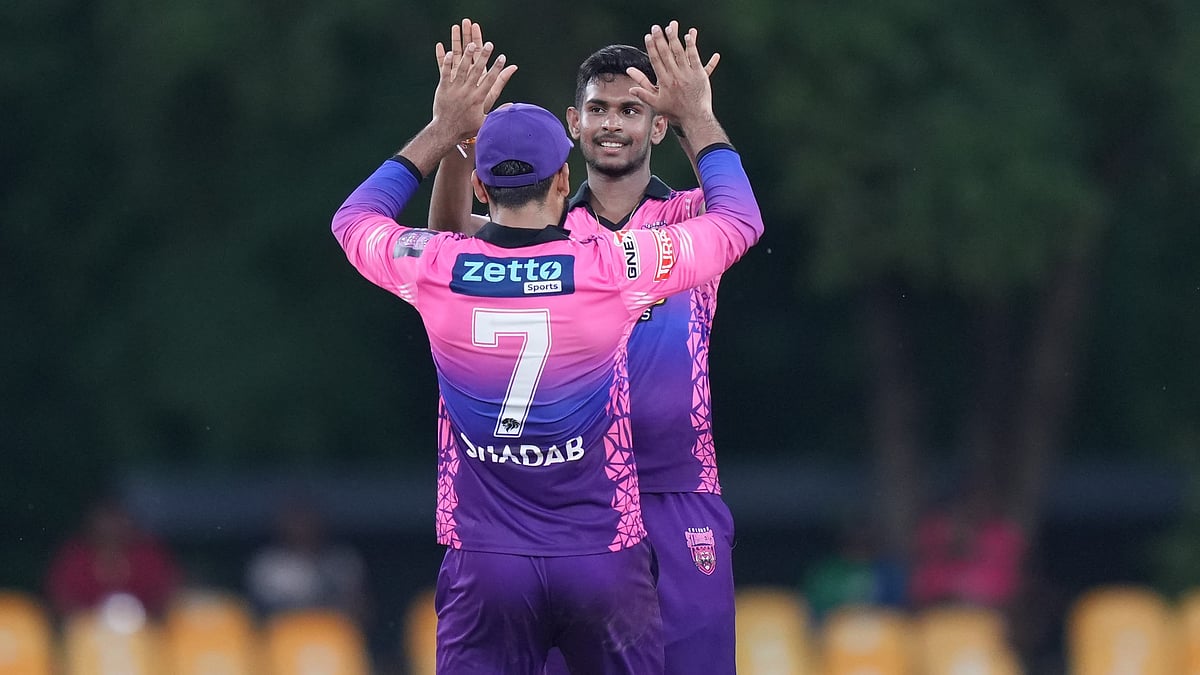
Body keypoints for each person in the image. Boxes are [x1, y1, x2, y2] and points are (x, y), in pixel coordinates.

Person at [331, 19, 762, 674]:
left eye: (630, 108)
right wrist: (700, 115)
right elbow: (741, 219)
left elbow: (398, 232)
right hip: (593, 525)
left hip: (647, 499)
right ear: (568, 150)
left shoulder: (454, 267)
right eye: (598, 108)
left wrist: (445, 134)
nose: (613, 122)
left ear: (655, 125)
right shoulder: (613, 260)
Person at [44, 495, 181, 621]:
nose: (111, 529)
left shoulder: (149, 556)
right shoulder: (74, 558)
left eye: (116, 521)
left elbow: (168, 596)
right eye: (104, 522)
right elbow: (59, 600)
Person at [244, 497, 369, 625]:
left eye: (307, 521)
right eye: (295, 522)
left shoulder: (341, 561)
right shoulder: (267, 564)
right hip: (286, 634)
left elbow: (360, 608)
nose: (302, 528)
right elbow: (258, 612)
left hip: (332, 631)